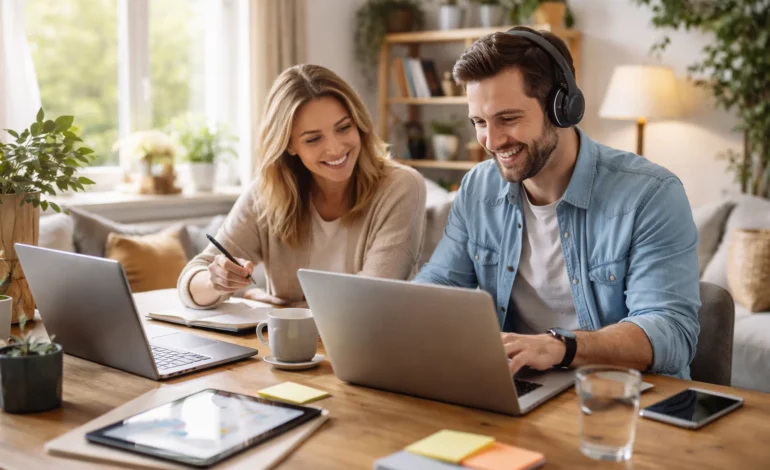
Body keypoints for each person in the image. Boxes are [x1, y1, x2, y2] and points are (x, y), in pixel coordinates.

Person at [414, 26, 701, 379]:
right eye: (479, 122)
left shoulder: (651, 194)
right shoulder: (478, 188)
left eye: (508, 118)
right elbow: (438, 284)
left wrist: (559, 346)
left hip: (619, 399)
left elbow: (671, 331)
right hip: (522, 388)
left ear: (562, 108)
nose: (491, 140)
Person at [179, 64, 427, 309]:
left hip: (368, 348)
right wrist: (216, 282)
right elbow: (190, 280)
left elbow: (372, 299)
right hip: (285, 349)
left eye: (344, 128)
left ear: (359, 124)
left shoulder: (401, 187)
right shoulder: (267, 193)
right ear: (289, 145)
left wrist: (283, 309)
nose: (335, 148)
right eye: (313, 139)